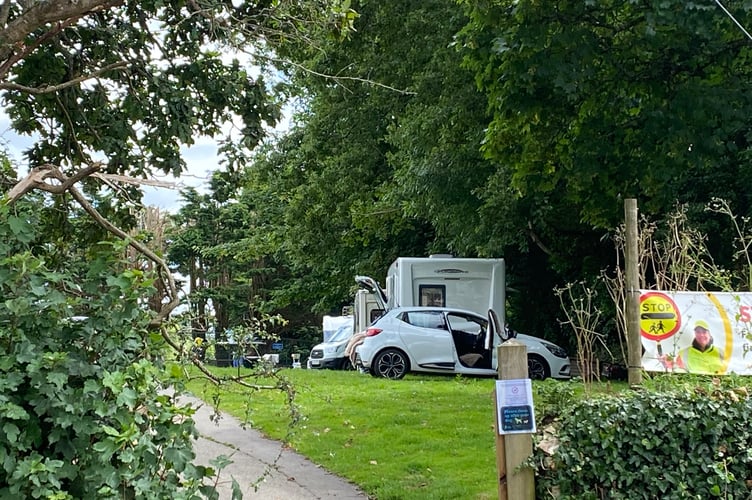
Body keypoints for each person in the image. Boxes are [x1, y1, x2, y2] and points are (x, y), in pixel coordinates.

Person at [659, 320, 724, 374]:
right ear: (695, 334)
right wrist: (670, 363)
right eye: (698, 332)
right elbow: (679, 371)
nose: (701, 335)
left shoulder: (721, 352)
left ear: (710, 334)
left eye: (704, 332)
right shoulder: (684, 353)